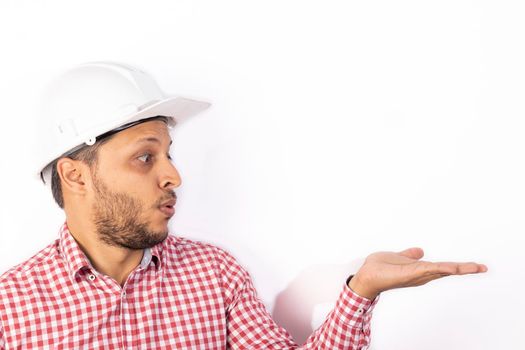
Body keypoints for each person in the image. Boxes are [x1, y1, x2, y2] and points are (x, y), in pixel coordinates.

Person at [0, 62, 488, 349]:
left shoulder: (215, 274)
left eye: (168, 154)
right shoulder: (9, 311)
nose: (173, 175)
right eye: (145, 157)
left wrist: (360, 291)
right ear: (75, 175)